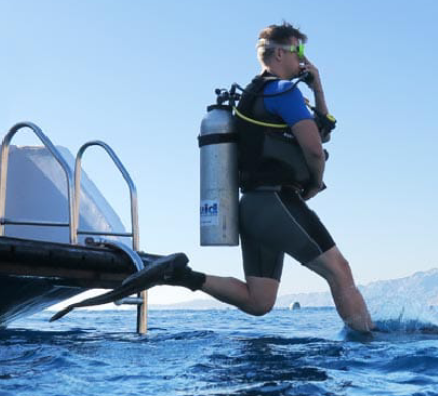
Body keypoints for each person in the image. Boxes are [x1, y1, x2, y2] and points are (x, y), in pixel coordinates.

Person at [133, 22, 374, 333]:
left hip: (253, 206)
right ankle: (368, 347)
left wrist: (317, 88)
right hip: (276, 201)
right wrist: (315, 184)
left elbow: (321, 131)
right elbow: (314, 149)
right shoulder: (284, 92)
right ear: (277, 54)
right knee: (339, 272)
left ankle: (182, 275)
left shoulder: (256, 95)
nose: (303, 59)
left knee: (259, 301)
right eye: (298, 50)